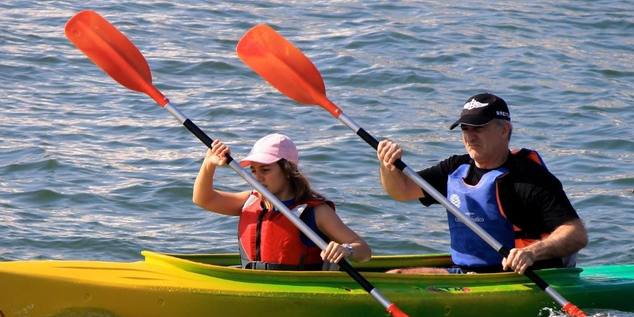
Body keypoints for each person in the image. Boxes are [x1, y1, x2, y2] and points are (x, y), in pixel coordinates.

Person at [376, 93, 588, 275]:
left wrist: (531, 253)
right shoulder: (455, 168)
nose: (470, 136)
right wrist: (387, 166)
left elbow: (576, 234)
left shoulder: (530, 179)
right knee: (396, 274)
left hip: (523, 275)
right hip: (469, 272)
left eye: (478, 128)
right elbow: (401, 191)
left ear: (504, 130)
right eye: (465, 129)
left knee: (399, 275)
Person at [193, 133, 372, 270]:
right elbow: (203, 199)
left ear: (287, 170)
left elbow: (364, 251)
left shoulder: (315, 212)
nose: (258, 177)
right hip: (253, 282)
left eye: (265, 169)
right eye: (254, 171)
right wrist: (209, 164)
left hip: (298, 289)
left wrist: (346, 249)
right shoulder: (249, 201)